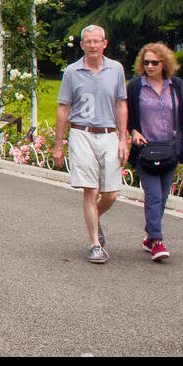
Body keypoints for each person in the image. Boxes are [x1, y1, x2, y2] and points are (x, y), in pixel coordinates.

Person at [127, 43, 183, 262]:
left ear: (165, 63)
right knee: (153, 195)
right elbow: (127, 115)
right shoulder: (136, 86)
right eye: (146, 63)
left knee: (162, 197)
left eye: (155, 62)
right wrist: (133, 131)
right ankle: (157, 241)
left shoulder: (176, 85)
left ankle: (149, 236)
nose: (150, 66)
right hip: (146, 150)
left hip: (170, 150)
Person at [53, 24, 129, 264]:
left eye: (97, 41)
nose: (93, 45)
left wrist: (123, 138)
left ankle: (94, 220)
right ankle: (95, 244)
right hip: (81, 133)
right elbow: (63, 108)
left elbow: (121, 104)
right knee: (91, 189)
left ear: (105, 44)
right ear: (82, 45)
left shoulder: (116, 69)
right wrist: (58, 145)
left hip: (108, 134)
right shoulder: (72, 72)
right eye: (88, 41)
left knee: (112, 193)